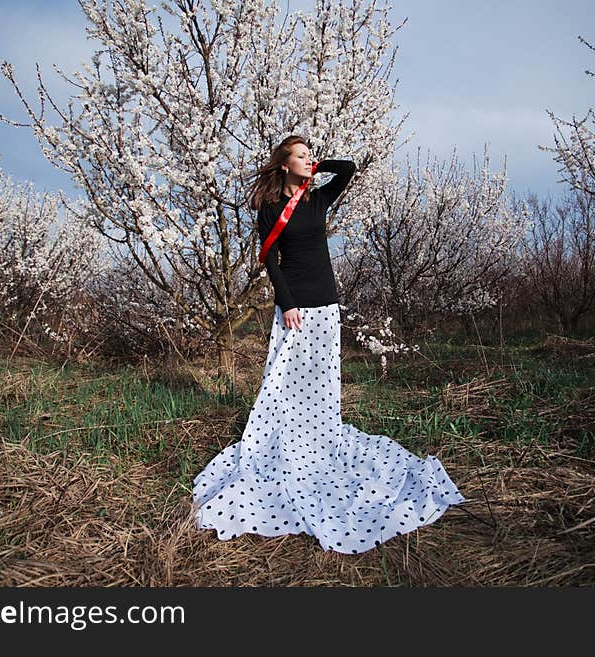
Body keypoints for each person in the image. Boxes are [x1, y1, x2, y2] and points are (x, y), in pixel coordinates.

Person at [191, 135, 466, 554]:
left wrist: (317, 166)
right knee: (283, 381)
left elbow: (349, 168)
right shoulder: (269, 209)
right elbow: (270, 260)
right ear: (283, 164)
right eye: (299, 155)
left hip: (327, 307)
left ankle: (318, 436)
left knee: (322, 381)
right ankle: (283, 439)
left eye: (308, 155)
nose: (307, 159)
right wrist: (286, 304)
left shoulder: (317, 199)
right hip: (294, 308)